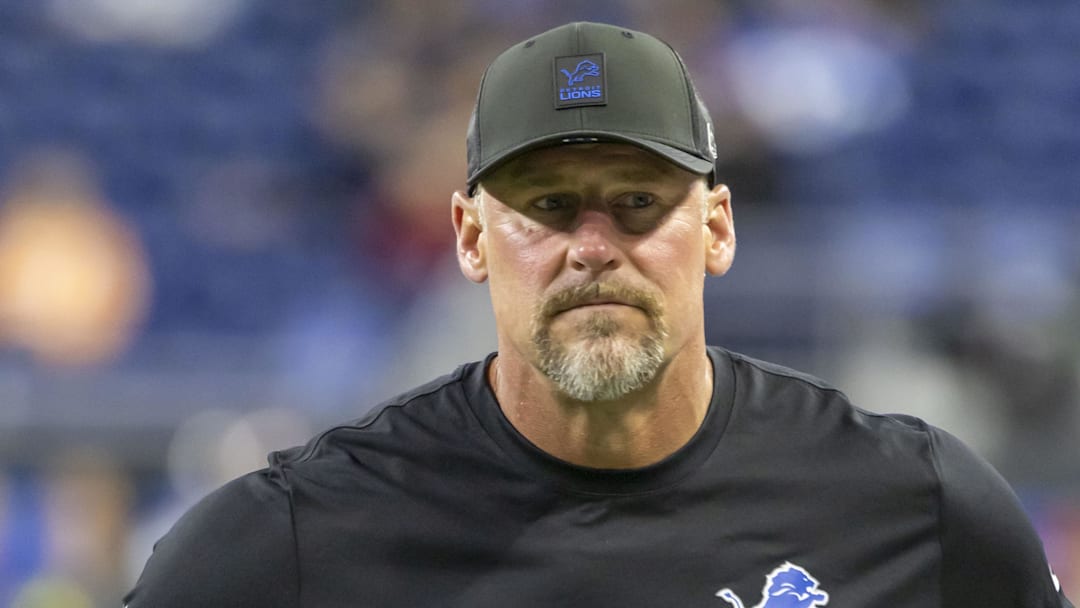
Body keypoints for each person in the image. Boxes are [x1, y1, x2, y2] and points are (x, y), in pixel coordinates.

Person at [125, 22, 1073, 607]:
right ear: (467, 236)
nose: (591, 245)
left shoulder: (915, 504)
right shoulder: (296, 537)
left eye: (637, 203)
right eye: (543, 207)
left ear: (718, 227)